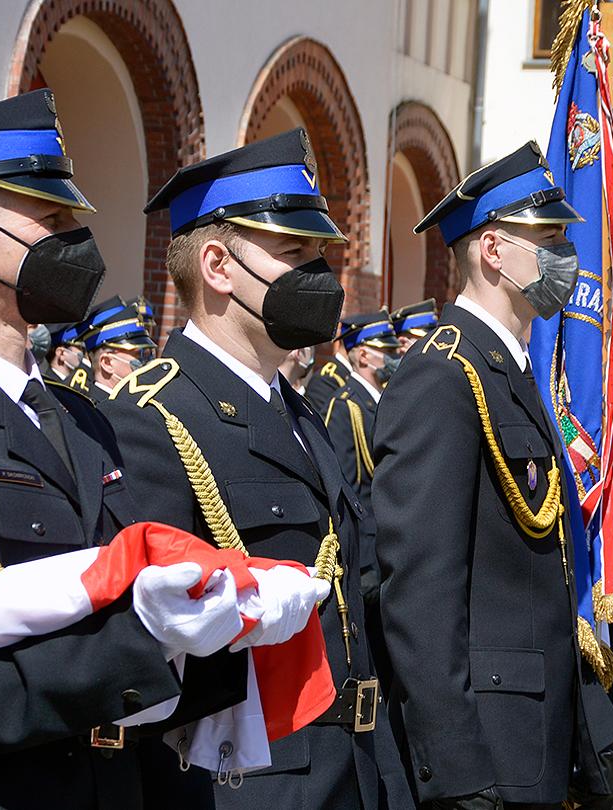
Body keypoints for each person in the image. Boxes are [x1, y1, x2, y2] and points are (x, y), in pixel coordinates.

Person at [0, 87, 278, 809]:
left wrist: (218, 628)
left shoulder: (84, 417)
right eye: (52, 220)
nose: (77, 243)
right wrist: (143, 649)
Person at [105, 128, 407, 810]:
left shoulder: (300, 415)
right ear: (217, 265)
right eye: (293, 253)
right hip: (247, 783)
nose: (319, 274)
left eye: (318, 253)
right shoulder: (155, 417)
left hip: (353, 772)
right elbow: (153, 649)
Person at [375, 142, 613, 810]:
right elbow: (421, 591)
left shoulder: (506, 371)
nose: (565, 257)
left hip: (533, 736)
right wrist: (456, 767)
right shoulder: (443, 375)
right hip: (485, 751)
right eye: (547, 238)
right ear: (491, 250)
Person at [321, 310, 398, 501]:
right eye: (388, 352)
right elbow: (345, 486)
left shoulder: (388, 399)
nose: (395, 358)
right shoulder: (344, 406)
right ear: (364, 356)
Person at [80, 296, 158, 396]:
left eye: (150, 354)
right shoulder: (95, 409)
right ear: (107, 363)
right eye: (141, 355)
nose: (149, 363)